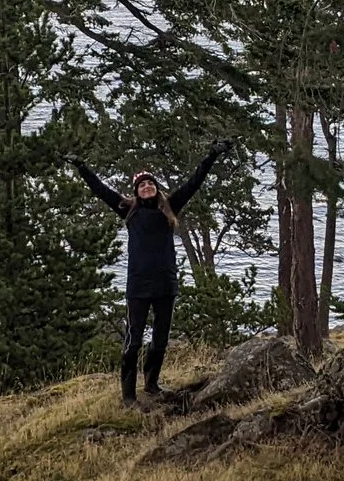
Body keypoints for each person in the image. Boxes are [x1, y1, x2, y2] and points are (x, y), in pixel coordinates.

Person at [72, 140, 229, 403]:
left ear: (157, 190)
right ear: (137, 191)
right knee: (133, 342)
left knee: (160, 340)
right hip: (138, 287)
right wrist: (81, 166)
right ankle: (128, 396)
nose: (147, 187)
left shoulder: (169, 208)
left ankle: (152, 385)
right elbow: (100, 190)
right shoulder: (128, 210)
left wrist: (211, 155)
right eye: (142, 185)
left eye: (151, 184)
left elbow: (194, 182)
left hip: (165, 285)